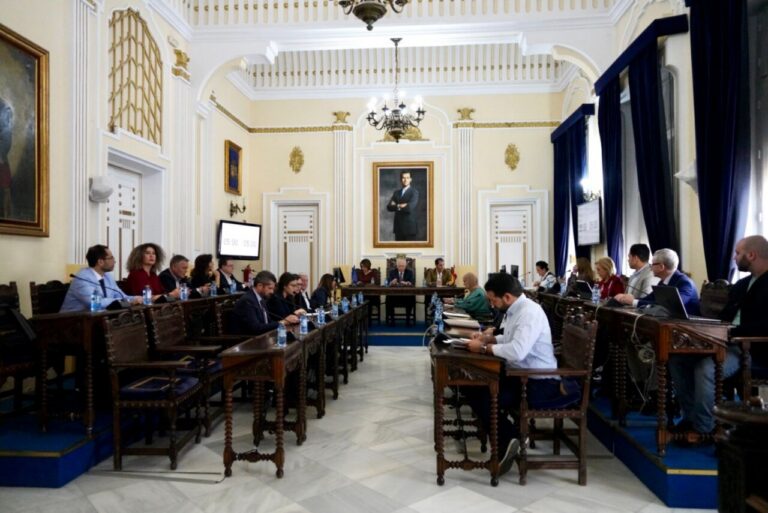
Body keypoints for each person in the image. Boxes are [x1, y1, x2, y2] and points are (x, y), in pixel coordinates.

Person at [666, 236, 768, 443]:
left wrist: (732, 332)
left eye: (738, 253)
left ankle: (704, 428)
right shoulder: (741, 284)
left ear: (752, 255)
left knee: (706, 367)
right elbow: (725, 318)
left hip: (752, 348)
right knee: (678, 359)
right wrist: (706, 326)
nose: (734, 257)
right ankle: (690, 417)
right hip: (725, 341)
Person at [465, 273, 560, 475]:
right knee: (470, 386)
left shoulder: (529, 313)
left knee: (484, 396)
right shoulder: (516, 309)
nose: (491, 304)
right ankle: (508, 436)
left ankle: (509, 437)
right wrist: (487, 340)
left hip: (538, 383)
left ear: (507, 297)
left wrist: (483, 349)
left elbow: (517, 351)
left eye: (493, 300)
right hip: (520, 375)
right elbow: (509, 338)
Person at [614, 248, 700, 314]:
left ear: (661, 267)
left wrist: (634, 302)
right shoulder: (662, 282)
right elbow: (649, 299)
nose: (650, 268)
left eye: (652, 264)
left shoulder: (685, 283)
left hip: (687, 327)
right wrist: (629, 299)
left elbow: (670, 306)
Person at [61, 245, 142, 312]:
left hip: (97, 318)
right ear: (100, 262)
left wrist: (136, 298)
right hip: (73, 322)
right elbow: (95, 303)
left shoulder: (108, 276)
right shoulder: (82, 278)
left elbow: (121, 295)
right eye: (111, 258)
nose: (114, 261)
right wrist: (124, 301)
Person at [230, 270, 282, 335]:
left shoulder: (261, 299)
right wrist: (281, 323)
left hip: (260, 337)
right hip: (246, 341)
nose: (272, 292)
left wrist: (282, 323)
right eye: (270, 288)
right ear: (259, 285)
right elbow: (256, 328)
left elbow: (268, 321)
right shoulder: (247, 301)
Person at [386, 171, 419, 241]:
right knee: (398, 251)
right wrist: (400, 205)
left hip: (409, 229)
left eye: (407, 178)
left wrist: (396, 206)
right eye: (403, 178)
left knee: (409, 251)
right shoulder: (396, 193)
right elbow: (389, 207)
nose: (405, 180)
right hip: (398, 228)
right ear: (401, 179)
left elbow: (409, 208)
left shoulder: (414, 192)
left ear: (411, 179)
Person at [386, 257, 416, 325]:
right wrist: (391, 282)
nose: (401, 267)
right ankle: (392, 321)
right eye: (399, 266)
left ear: (405, 266)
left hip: (406, 296)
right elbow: (388, 284)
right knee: (388, 298)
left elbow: (412, 283)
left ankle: (408, 321)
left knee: (411, 298)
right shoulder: (392, 272)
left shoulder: (410, 272)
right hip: (395, 296)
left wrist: (407, 283)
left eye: (403, 266)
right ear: (397, 266)